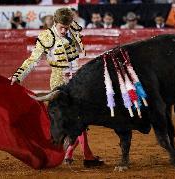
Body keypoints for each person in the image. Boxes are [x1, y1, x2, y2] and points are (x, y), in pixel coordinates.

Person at [10, 7, 104, 168]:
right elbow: (33, 60)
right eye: (62, 27)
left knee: (81, 118)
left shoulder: (71, 28)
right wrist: (18, 76)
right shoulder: (47, 37)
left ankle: (75, 154)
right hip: (59, 80)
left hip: (77, 78)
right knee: (68, 119)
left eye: (67, 27)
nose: (64, 30)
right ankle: (79, 155)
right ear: (55, 23)